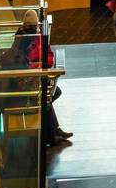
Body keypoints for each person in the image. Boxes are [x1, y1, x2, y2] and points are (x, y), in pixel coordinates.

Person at [11, 9, 71, 146]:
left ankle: (54, 131)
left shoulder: (37, 37)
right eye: (31, 25)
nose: (33, 27)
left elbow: (48, 54)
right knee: (46, 100)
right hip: (28, 81)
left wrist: (44, 64)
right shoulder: (22, 40)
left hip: (37, 76)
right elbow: (23, 62)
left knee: (50, 97)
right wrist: (38, 65)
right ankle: (52, 134)